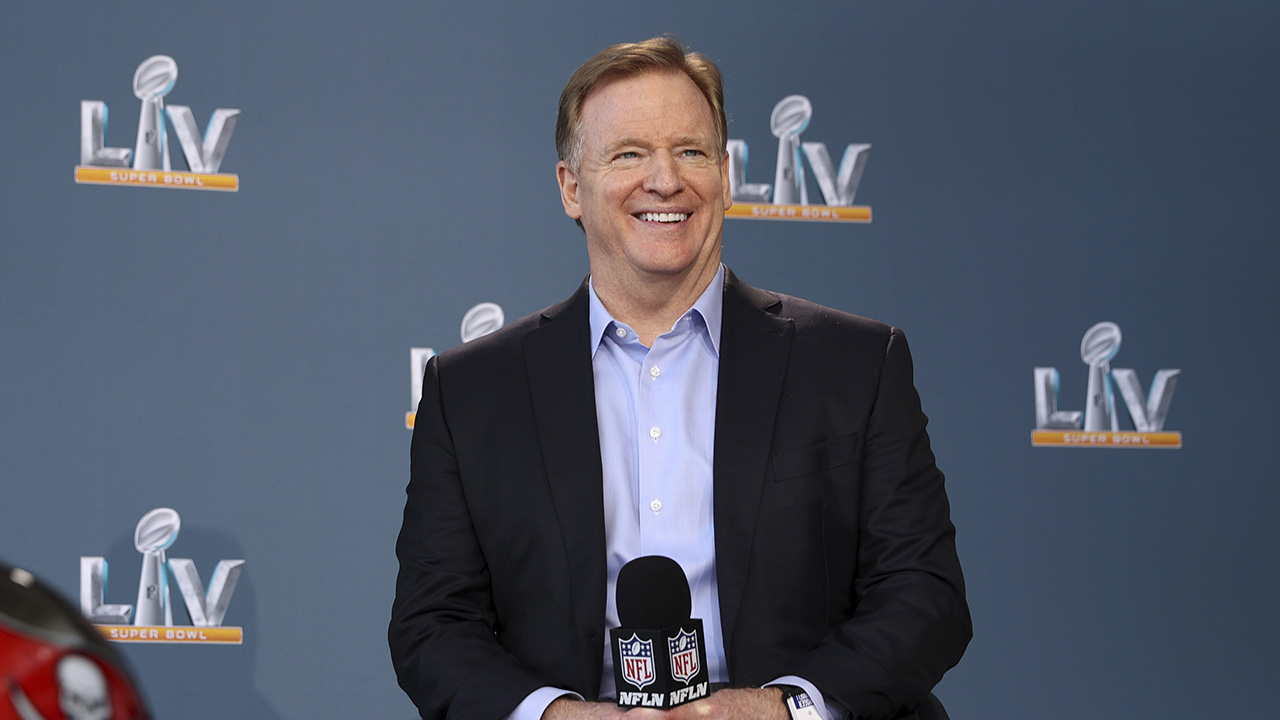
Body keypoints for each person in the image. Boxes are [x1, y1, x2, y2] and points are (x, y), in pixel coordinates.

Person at [390, 37, 971, 720]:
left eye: (691, 152)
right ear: (571, 187)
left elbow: (923, 596)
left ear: (725, 176)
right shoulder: (471, 393)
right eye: (629, 153)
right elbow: (432, 627)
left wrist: (782, 710)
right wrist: (554, 716)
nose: (665, 180)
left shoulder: (856, 365)